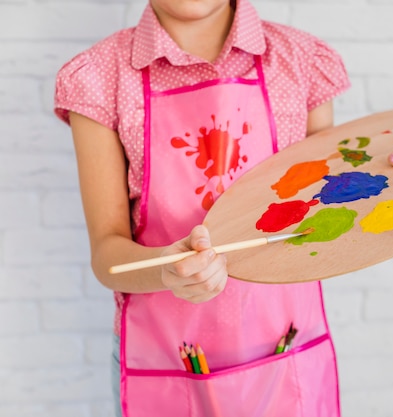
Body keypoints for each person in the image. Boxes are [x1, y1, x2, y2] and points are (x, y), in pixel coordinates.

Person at [54, 1, 350, 416]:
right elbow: (107, 256)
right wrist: (164, 270)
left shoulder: (301, 59)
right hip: (167, 361)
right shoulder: (99, 76)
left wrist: (375, 171)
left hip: (289, 346)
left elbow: (328, 210)